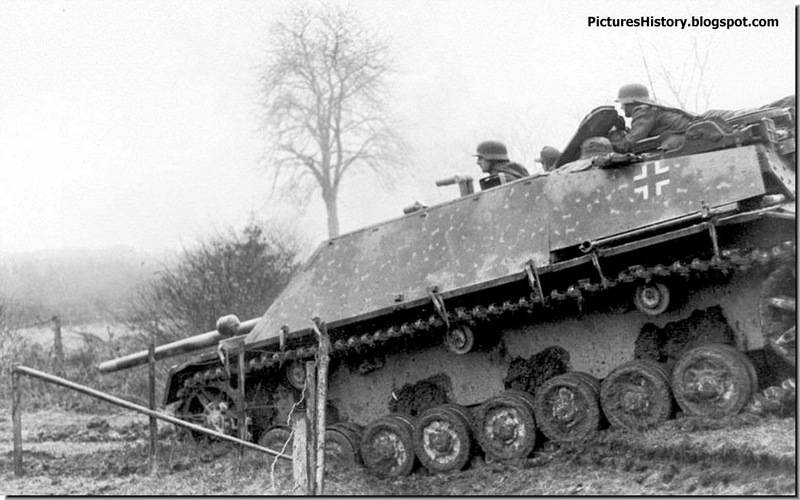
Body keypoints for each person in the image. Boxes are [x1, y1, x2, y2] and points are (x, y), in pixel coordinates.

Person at [610, 83, 694, 153]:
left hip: (686, 138)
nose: (621, 107)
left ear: (630, 103)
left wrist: (612, 143)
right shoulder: (652, 110)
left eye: (622, 103)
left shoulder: (643, 111)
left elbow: (632, 141)